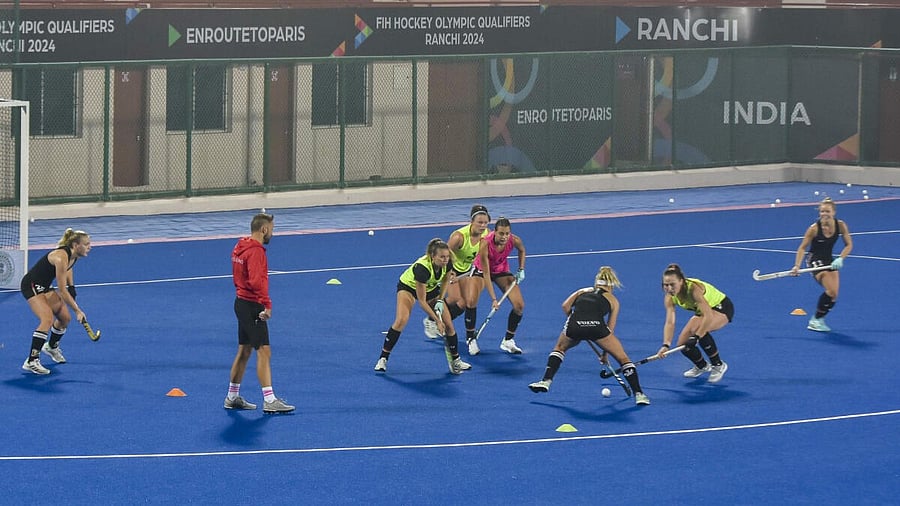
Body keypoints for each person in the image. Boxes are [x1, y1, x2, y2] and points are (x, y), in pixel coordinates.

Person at [529, 266, 650, 406]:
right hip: (598, 328)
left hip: (574, 326)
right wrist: (605, 353)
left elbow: (565, 307)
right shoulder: (613, 300)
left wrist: (578, 321)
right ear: (611, 284)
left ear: (596, 282)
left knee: (559, 348)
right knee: (623, 358)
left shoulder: (582, 292)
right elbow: (610, 328)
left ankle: (546, 381)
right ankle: (639, 394)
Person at [224, 213, 295, 414]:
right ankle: (270, 399)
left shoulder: (240, 246)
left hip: (241, 303)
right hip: (253, 305)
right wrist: (267, 305)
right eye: (272, 229)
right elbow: (256, 282)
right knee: (264, 351)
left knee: (244, 350)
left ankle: (232, 396)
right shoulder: (256, 252)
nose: (273, 233)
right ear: (263, 229)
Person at [376, 238, 472, 375]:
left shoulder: (448, 262)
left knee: (449, 325)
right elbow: (422, 301)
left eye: (447, 256)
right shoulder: (422, 269)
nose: (445, 260)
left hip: (431, 288)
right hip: (409, 288)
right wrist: (436, 321)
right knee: (401, 320)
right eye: (442, 257)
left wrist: (440, 300)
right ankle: (383, 358)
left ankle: (456, 360)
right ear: (433, 257)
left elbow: (445, 280)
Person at [19, 228, 92, 375]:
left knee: (65, 318)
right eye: (87, 244)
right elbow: (62, 291)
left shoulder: (73, 255)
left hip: (44, 286)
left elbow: (68, 269)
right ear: (76, 245)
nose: (90, 247)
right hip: (31, 285)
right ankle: (32, 361)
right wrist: (78, 310)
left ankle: (51, 347)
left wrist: (72, 286)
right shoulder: (60, 257)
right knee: (46, 319)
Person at [424, 204, 491, 344]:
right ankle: (431, 319)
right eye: (480, 222)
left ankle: (439, 321)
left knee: (464, 303)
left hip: (467, 271)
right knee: (454, 298)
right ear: (472, 221)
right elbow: (444, 254)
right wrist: (450, 271)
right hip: (452, 269)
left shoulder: (486, 234)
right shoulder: (459, 237)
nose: (483, 225)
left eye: (485, 222)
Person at [657, 263, 732, 383]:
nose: (669, 288)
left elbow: (708, 316)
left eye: (672, 284)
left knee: (700, 331)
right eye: (666, 285)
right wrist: (665, 345)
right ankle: (702, 366)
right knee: (683, 344)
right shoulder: (669, 297)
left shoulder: (694, 290)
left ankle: (718, 365)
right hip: (703, 312)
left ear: (681, 281)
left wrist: (697, 336)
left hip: (721, 307)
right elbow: (670, 322)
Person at [790, 197, 853, 332]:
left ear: (833, 212)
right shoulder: (813, 229)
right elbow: (802, 248)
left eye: (827, 211)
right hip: (814, 260)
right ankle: (814, 321)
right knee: (830, 290)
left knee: (834, 294)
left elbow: (849, 245)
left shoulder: (840, 225)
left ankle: (819, 318)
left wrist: (841, 258)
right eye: (822, 211)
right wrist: (797, 265)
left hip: (829, 259)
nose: (824, 214)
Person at [471, 216, 526, 355]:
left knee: (519, 306)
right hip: (482, 271)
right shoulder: (485, 244)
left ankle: (508, 341)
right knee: (470, 301)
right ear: (494, 232)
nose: (504, 237)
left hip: (501, 271)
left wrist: (521, 269)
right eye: (501, 233)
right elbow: (487, 274)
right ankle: (470, 339)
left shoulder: (514, 240)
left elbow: (522, 250)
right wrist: (494, 299)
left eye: (507, 233)